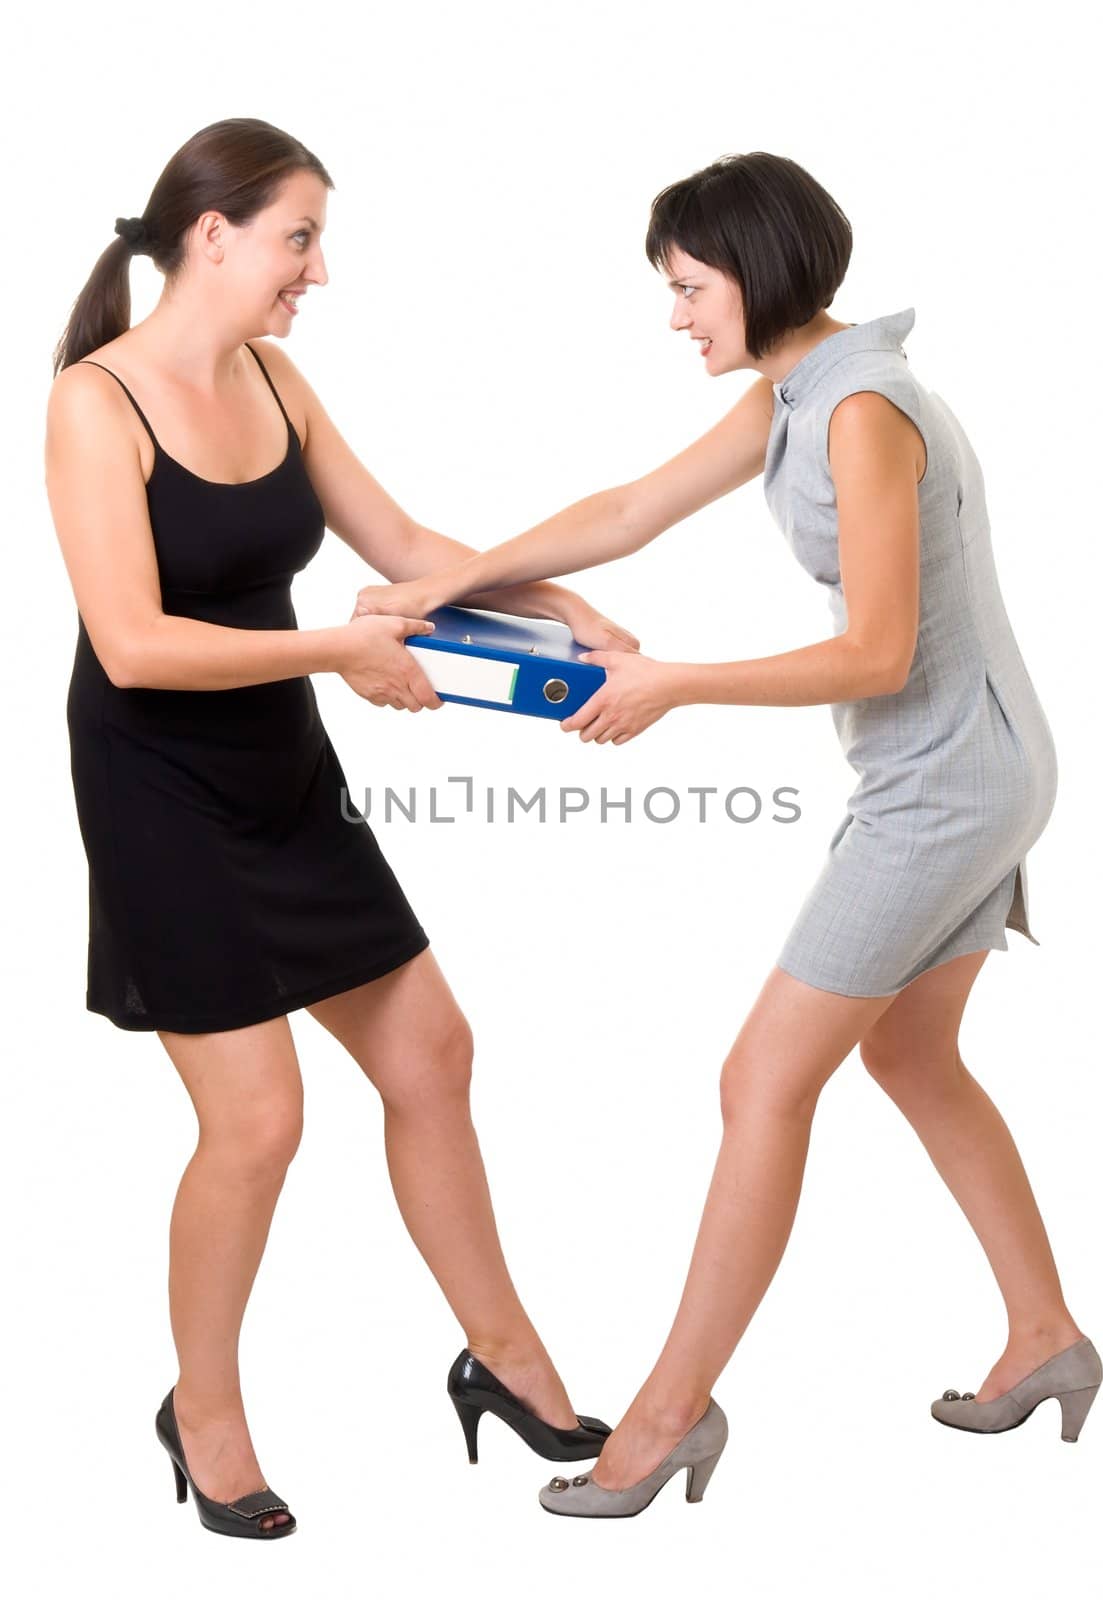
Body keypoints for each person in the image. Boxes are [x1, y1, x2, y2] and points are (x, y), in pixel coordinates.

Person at [354, 152, 1102, 1518]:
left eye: (688, 287)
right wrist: (445, 579)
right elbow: (624, 514)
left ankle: (662, 1420)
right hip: (962, 768)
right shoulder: (794, 391)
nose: (676, 315)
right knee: (916, 1056)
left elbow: (874, 653)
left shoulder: (862, 409)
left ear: (756, 273)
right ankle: (1044, 1337)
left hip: (944, 785)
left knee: (759, 1081)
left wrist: (670, 683)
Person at [45, 116, 637, 1540]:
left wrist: (554, 607)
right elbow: (131, 644)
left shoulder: (276, 378)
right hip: (156, 784)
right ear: (213, 234)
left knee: (432, 1051)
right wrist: (335, 656)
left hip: (279, 764)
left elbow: (409, 555)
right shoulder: (93, 402)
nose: (317, 271)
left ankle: (504, 1362)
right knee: (256, 1122)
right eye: (300, 238)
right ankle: (204, 1413)